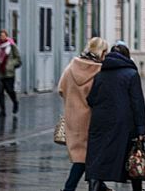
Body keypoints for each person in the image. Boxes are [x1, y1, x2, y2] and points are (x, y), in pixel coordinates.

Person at [86, 43, 145, 191]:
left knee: (97, 159)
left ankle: (93, 188)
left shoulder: (100, 74)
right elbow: (137, 103)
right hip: (124, 125)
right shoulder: (131, 74)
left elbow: (91, 99)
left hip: (100, 122)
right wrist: (141, 130)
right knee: (132, 157)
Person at [58, 37, 109, 191]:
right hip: (92, 119)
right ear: (102, 52)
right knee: (86, 159)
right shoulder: (100, 71)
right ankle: (71, 188)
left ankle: (99, 187)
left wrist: (73, 101)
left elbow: (61, 89)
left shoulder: (71, 67)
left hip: (73, 119)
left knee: (82, 157)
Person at [0, 29, 22, 117]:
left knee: (10, 90)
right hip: (0, 72)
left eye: (4, 36)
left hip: (9, 73)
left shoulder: (12, 45)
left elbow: (18, 59)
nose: (2, 37)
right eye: (1, 36)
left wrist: (11, 64)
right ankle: (2, 111)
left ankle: (15, 102)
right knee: (0, 92)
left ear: (6, 36)